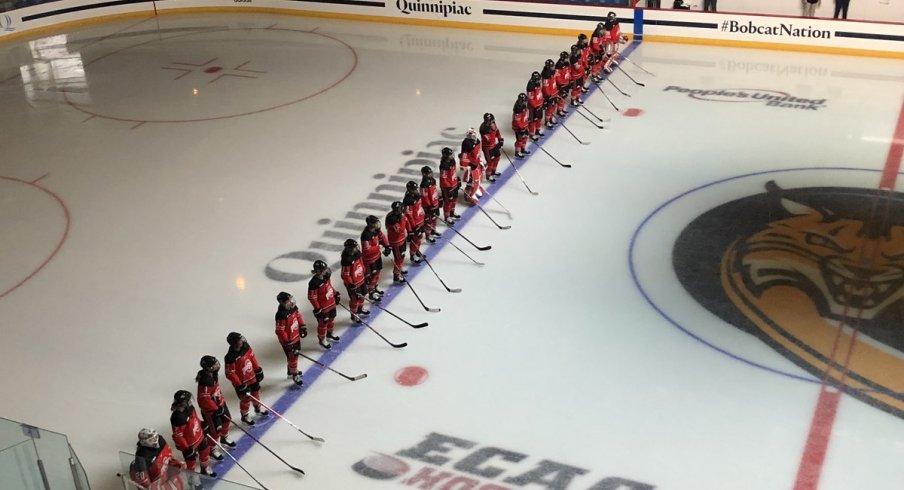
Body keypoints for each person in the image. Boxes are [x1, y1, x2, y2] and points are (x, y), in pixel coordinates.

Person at [169, 391, 217, 479]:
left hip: (199, 436)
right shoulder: (177, 418)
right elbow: (178, 436)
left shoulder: (190, 408)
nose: (191, 402)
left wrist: (202, 424)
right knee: (191, 463)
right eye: (189, 400)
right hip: (189, 444)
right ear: (183, 402)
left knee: (205, 451)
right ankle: (192, 479)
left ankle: (204, 469)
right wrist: (186, 448)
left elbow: (196, 419)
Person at [195, 356, 237, 456]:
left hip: (220, 403)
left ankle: (224, 438)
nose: (217, 365)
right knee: (215, 431)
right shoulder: (205, 382)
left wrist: (219, 404)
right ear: (208, 368)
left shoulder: (213, 374)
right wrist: (216, 409)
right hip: (211, 411)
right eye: (214, 364)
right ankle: (211, 449)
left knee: (227, 420)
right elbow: (204, 400)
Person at [223, 332, 266, 423]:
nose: (241, 341)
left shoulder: (246, 347)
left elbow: (252, 357)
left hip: (252, 377)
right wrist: (239, 385)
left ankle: (257, 408)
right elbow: (230, 374)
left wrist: (257, 370)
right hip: (242, 383)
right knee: (245, 399)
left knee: (256, 393)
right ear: (234, 343)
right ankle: (245, 415)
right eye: (239, 340)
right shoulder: (230, 357)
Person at [274, 292, 306, 385]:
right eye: (289, 301)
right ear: (283, 303)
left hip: (296, 336)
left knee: (294, 356)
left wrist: (302, 326)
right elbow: (280, 331)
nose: (291, 302)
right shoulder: (281, 315)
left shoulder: (293, 308)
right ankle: (294, 374)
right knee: (293, 357)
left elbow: (298, 316)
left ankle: (290, 371)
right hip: (288, 340)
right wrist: (288, 342)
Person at [308, 260, 340, 349]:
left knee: (332, 319)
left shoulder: (326, 276)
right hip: (323, 308)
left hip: (331, 304)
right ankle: (322, 339)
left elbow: (330, 287)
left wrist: (335, 293)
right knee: (323, 324)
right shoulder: (313, 283)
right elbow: (312, 298)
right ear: (318, 271)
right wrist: (318, 309)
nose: (326, 271)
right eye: (324, 269)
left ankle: (330, 334)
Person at [360, 215, 389, 302]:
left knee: (378, 272)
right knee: (372, 275)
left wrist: (387, 245)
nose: (377, 224)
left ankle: (374, 287)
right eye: (375, 222)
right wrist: (379, 247)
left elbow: (382, 237)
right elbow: (367, 250)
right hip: (369, 260)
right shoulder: (366, 235)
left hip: (377, 256)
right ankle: (371, 292)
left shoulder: (376, 230)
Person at [340, 239, 369, 323]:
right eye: (355, 247)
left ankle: (360, 309)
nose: (357, 248)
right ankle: (354, 315)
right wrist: (351, 284)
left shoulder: (358, 254)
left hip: (361, 279)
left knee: (363, 294)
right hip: (353, 284)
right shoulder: (346, 260)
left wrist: (365, 273)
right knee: (355, 299)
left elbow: (361, 264)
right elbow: (345, 275)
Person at [385, 201, 411, 283]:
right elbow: (400, 230)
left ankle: (399, 268)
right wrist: (402, 218)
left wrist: (410, 232)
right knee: (399, 259)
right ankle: (396, 275)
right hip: (396, 242)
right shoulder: (392, 219)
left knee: (402, 256)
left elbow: (407, 223)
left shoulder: (400, 215)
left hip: (402, 239)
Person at [460, 128, 484, 205]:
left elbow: (478, 153)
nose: (472, 138)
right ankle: (469, 196)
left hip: (477, 163)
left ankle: (477, 189)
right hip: (470, 167)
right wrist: (467, 166)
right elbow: (464, 157)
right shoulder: (466, 144)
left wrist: (480, 161)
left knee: (479, 178)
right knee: (472, 181)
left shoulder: (477, 141)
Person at [403, 184, 426, 263]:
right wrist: (414, 226)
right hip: (414, 224)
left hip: (420, 220)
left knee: (419, 237)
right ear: (409, 190)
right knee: (415, 239)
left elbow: (419, 207)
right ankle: (412, 255)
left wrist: (424, 216)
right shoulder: (408, 200)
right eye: (414, 189)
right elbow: (409, 215)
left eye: (416, 189)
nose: (416, 190)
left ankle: (417, 251)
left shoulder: (416, 195)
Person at [438, 147, 462, 223]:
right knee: (448, 202)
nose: (452, 156)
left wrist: (457, 179)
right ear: (446, 156)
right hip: (447, 187)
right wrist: (449, 188)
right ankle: (447, 217)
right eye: (450, 155)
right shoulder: (444, 166)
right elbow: (443, 179)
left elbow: (453, 172)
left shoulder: (452, 161)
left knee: (454, 198)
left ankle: (452, 212)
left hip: (454, 184)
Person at [419, 166, 442, 243]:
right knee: (429, 221)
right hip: (429, 207)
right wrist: (429, 206)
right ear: (424, 174)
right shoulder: (423, 184)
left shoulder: (433, 180)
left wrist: (439, 199)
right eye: (428, 173)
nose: (430, 174)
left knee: (434, 219)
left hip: (435, 204)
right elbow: (424, 197)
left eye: (430, 173)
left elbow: (435, 191)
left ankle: (433, 230)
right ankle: (428, 236)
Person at [479, 113, 504, 182]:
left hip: (494, 145)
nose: (493, 121)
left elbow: (497, 131)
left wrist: (500, 139)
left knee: (497, 157)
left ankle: (493, 171)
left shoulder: (493, 123)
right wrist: (497, 145)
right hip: (487, 148)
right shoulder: (483, 129)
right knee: (490, 162)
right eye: (491, 120)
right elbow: (488, 140)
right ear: (487, 121)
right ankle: (488, 175)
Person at [526, 72, 545, 141]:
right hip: (533, 107)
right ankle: (531, 134)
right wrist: (535, 106)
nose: (540, 81)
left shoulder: (537, 83)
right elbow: (530, 99)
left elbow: (539, 93)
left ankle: (537, 130)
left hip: (539, 104)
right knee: (533, 121)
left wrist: (542, 101)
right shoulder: (530, 86)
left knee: (539, 118)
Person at [512, 93, 531, 159]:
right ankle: (517, 152)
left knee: (525, 137)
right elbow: (517, 121)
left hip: (524, 125)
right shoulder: (518, 108)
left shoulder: (522, 105)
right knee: (519, 140)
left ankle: (523, 149)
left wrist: (526, 121)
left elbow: (524, 115)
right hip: (519, 128)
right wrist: (521, 127)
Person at [540, 59, 558, 128]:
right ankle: (547, 121)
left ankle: (550, 118)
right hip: (549, 95)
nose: (553, 67)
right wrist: (548, 95)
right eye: (552, 66)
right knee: (549, 108)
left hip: (553, 92)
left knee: (554, 106)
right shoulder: (546, 75)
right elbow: (545, 87)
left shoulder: (551, 72)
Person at [554, 51, 571, 117]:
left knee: (564, 97)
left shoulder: (566, 63)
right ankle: (559, 111)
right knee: (561, 98)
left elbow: (567, 71)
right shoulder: (559, 65)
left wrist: (569, 79)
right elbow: (557, 76)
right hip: (562, 85)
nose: (567, 59)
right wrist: (561, 84)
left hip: (566, 83)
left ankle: (561, 109)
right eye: (566, 58)